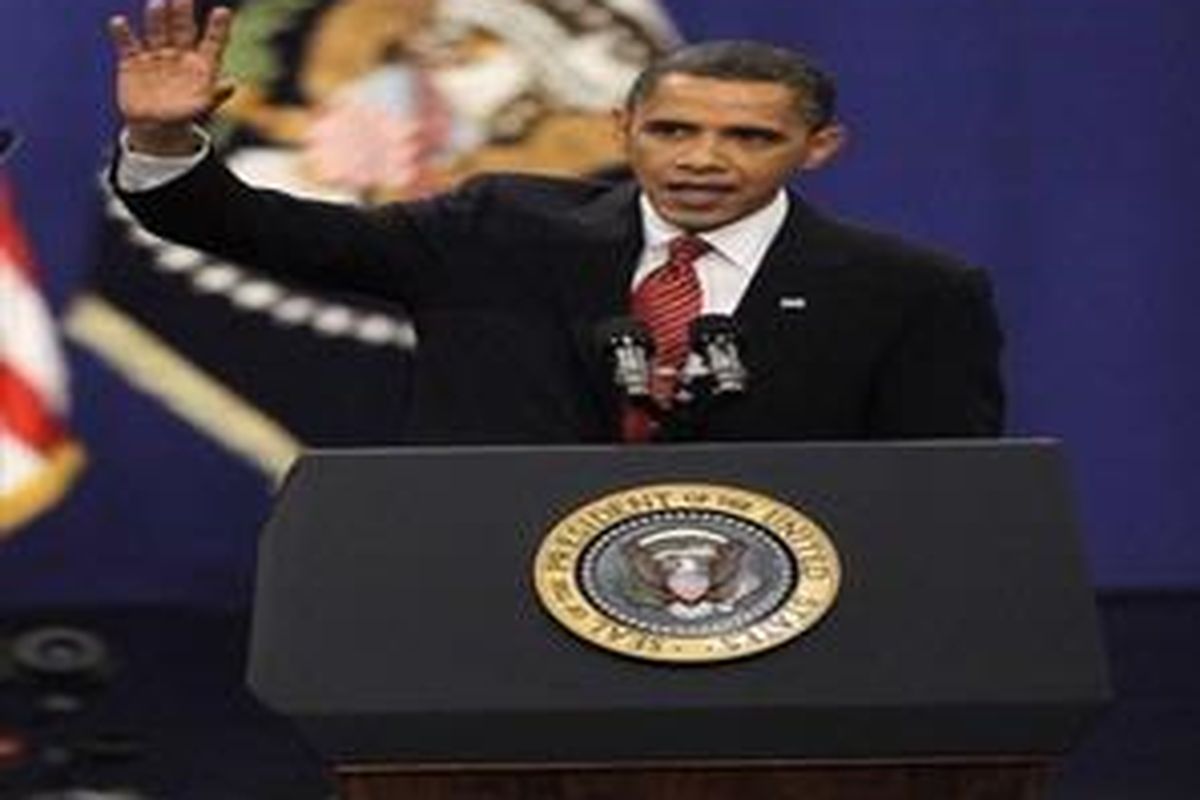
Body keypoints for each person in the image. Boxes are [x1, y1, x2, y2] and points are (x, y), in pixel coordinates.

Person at [107, 0, 1004, 445]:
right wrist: (163, 139)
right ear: (623, 130)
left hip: (776, 632)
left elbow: (941, 495)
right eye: (673, 131)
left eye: (749, 138)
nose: (702, 159)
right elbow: (254, 227)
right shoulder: (495, 230)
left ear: (819, 148)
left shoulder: (910, 292)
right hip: (500, 605)